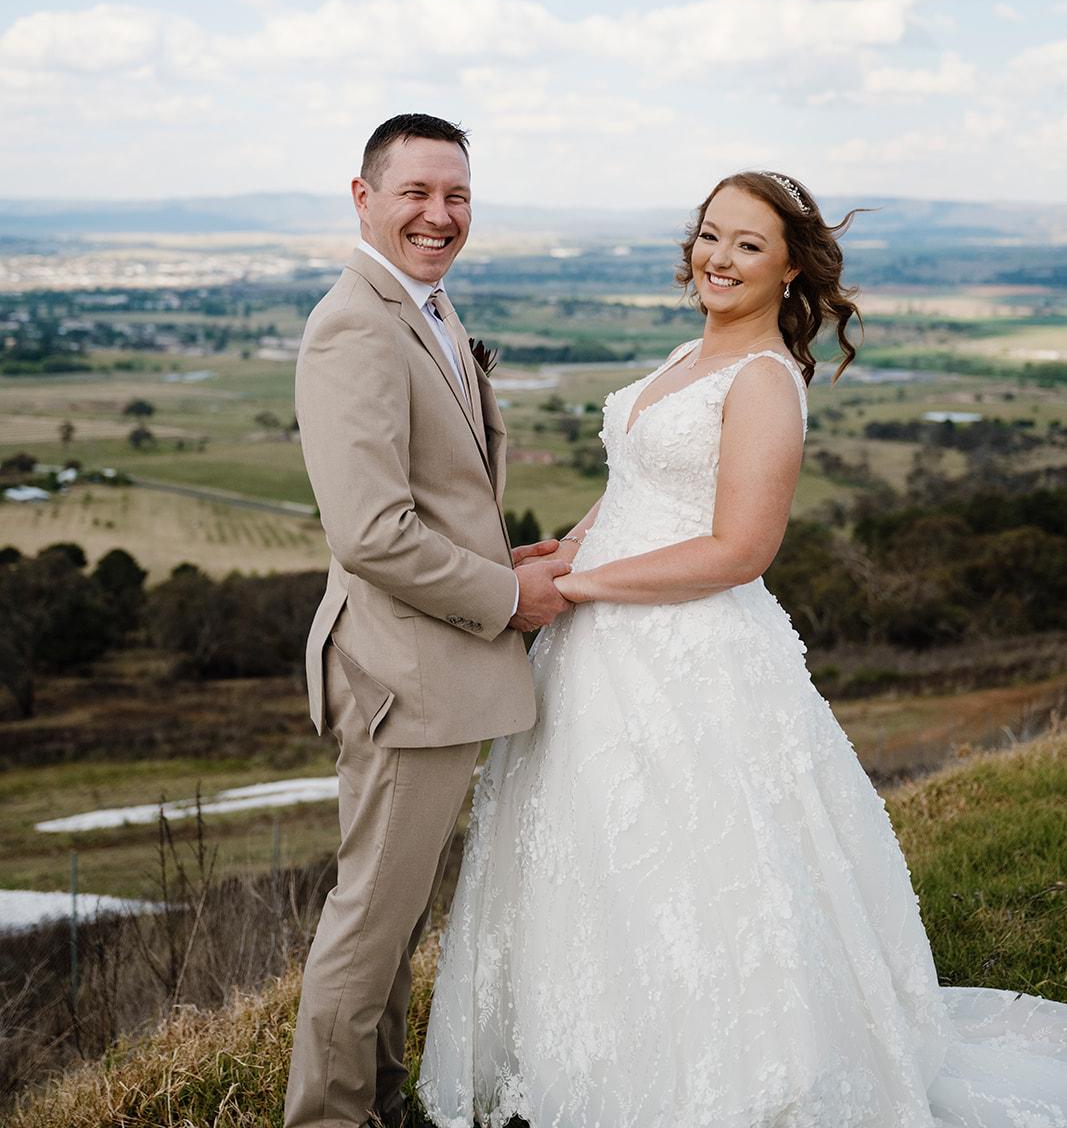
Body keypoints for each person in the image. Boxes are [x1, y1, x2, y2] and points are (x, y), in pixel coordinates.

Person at [419, 170, 1067, 1128]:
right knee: (598, 857)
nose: (718, 258)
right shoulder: (690, 352)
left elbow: (738, 549)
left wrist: (579, 587)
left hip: (693, 657)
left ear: (791, 267)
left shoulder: (764, 381)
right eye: (710, 236)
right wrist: (563, 546)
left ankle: (732, 1075)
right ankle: (588, 1056)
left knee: (703, 870)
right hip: (604, 645)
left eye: (748, 245)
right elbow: (636, 487)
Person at [285, 113, 569, 1128]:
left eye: (454, 195)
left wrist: (507, 558)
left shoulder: (427, 309)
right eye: (414, 192)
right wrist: (508, 597)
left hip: (432, 660)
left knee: (394, 918)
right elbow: (370, 532)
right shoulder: (354, 323)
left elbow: (434, 498)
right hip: (404, 674)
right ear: (362, 197)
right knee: (368, 922)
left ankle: (383, 1103)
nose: (437, 214)